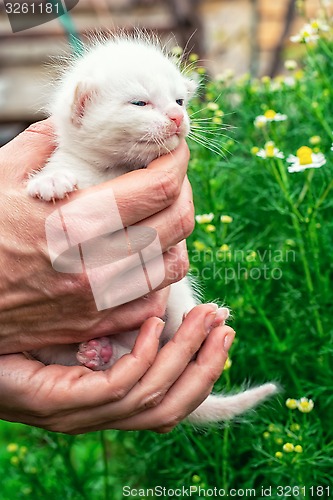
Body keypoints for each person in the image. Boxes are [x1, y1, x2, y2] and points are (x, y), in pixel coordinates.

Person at [0, 119, 235, 434]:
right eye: (140, 105)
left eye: (181, 102)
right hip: (89, 334)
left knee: (162, 282)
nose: (176, 117)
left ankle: (174, 330)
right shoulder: (68, 154)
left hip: (129, 316)